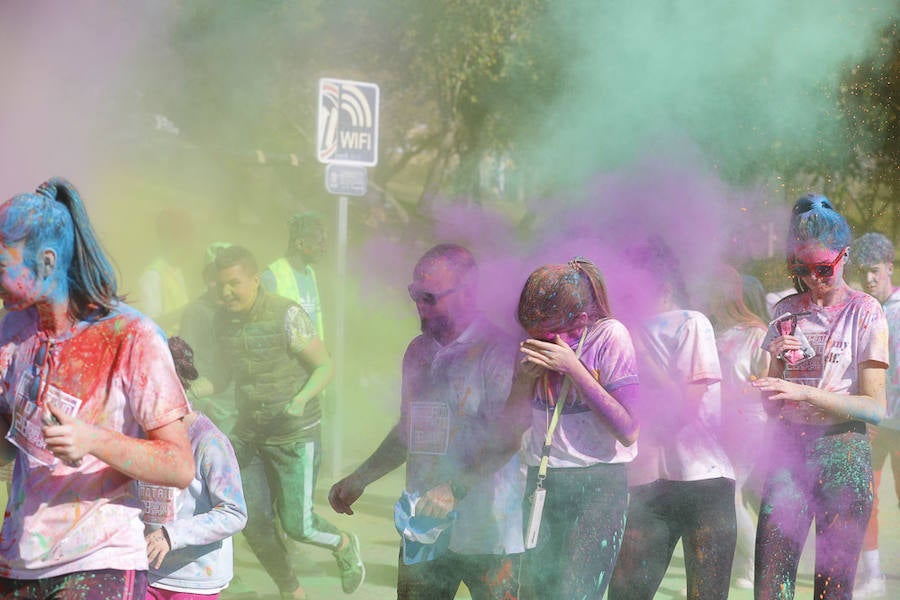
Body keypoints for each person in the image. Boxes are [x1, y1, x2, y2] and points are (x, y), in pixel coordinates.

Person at [0, 177, 194, 598]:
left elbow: (178, 465)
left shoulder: (130, 334)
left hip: (100, 560)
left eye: (1, 266)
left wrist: (91, 439)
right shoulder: (13, 329)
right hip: (19, 560)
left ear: (47, 262)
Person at [329, 243, 524, 600]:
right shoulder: (418, 352)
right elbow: (410, 430)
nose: (419, 306)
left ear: (467, 292)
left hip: (488, 532)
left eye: (429, 297)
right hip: (423, 528)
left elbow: (507, 437)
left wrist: (453, 488)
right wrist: (362, 476)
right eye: (414, 295)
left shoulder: (498, 351)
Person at [751, 195, 888, 600]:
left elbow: (874, 407)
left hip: (843, 451)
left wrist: (803, 391)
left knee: (832, 589)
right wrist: (774, 372)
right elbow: (771, 405)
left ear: (844, 257)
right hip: (788, 451)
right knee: (770, 585)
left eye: (823, 269)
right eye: (802, 269)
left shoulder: (866, 311)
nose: (813, 279)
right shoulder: (786, 309)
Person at [207, 245, 362, 600]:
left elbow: (324, 366)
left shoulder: (286, 314)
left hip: (295, 434)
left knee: (298, 526)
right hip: (250, 436)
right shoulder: (221, 320)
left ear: (255, 280)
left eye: (235, 283)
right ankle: (291, 590)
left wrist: (300, 399)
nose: (227, 292)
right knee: (251, 520)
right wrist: (190, 385)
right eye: (221, 285)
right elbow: (221, 376)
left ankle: (343, 543)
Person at [502, 258, 639, 599]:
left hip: (598, 484)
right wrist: (522, 383)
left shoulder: (610, 335)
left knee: (576, 594)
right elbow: (509, 430)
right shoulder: (529, 341)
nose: (538, 339)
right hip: (544, 478)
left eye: (546, 331)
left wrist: (573, 369)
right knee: (537, 592)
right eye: (530, 330)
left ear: (579, 320)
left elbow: (629, 429)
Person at [609, 237, 736, 600]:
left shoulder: (691, 323)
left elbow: (683, 408)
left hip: (703, 485)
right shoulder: (619, 331)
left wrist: (640, 353)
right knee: (625, 592)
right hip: (648, 487)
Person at [143, 336, 247, 600]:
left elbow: (234, 512)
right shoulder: (137, 433)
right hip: (144, 573)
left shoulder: (209, 442)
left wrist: (172, 535)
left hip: (193, 581)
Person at [707, 264, 771, 590]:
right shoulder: (711, 332)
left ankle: (754, 562)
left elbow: (768, 380)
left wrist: (741, 391)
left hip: (748, 423)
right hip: (717, 424)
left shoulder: (756, 333)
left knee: (729, 494)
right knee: (731, 496)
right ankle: (742, 565)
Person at [849, 232, 898, 599]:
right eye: (864, 271)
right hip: (873, 421)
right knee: (864, 497)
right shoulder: (865, 310)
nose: (869, 278)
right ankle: (874, 574)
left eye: (875, 270)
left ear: (890, 268)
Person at [179, 242, 238, 436]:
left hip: (241, 409)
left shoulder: (241, 310)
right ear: (206, 278)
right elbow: (183, 367)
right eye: (215, 279)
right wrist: (203, 402)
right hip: (215, 411)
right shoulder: (197, 312)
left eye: (229, 280)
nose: (222, 288)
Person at [261, 212, 326, 340]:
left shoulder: (310, 273)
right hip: (286, 359)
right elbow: (264, 327)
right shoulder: (271, 276)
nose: (324, 249)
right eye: (320, 243)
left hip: (312, 356)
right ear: (300, 244)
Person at [138, 208, 193, 336]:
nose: (190, 243)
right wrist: (189, 310)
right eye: (184, 238)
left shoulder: (177, 270)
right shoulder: (152, 275)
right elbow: (151, 324)